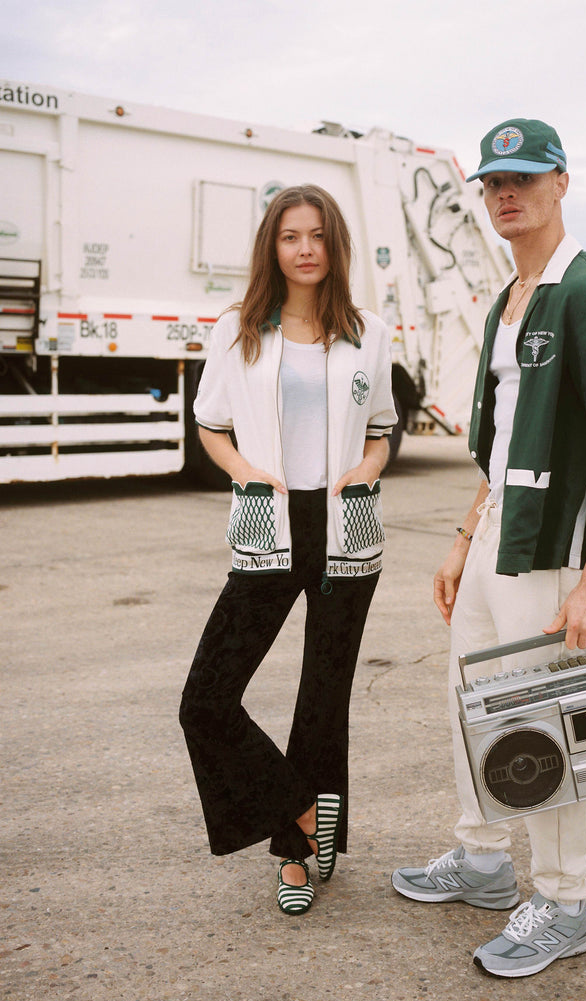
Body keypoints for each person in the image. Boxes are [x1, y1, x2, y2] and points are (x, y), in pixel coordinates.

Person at [391, 119, 586, 976]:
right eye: (493, 181)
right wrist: (465, 536)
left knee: (544, 725)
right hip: (499, 532)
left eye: (524, 178)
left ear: (561, 182)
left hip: (552, 549)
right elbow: (503, 441)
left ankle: (564, 901)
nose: (506, 193)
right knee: (475, 707)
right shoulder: (512, 298)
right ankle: (480, 859)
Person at [179, 184, 396, 916]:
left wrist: (366, 471)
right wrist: (245, 473)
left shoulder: (369, 330)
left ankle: (297, 863)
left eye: (316, 235)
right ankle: (302, 812)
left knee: (321, 699)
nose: (304, 248)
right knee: (205, 701)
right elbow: (209, 424)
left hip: (343, 529)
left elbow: (381, 427)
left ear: (334, 244)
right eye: (289, 236)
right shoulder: (238, 329)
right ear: (271, 247)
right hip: (269, 524)